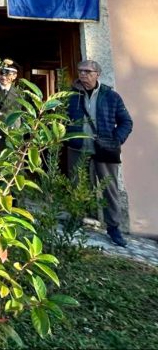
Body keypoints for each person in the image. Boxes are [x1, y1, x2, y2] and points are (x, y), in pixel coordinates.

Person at [67, 60, 133, 247]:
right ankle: (75, 219)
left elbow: (126, 122)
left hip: (104, 150)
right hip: (77, 149)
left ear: (97, 74)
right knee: (77, 187)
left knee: (109, 189)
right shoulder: (70, 96)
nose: (83, 74)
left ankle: (113, 227)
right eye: (80, 71)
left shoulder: (111, 96)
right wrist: (66, 136)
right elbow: (62, 118)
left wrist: (116, 140)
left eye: (88, 71)